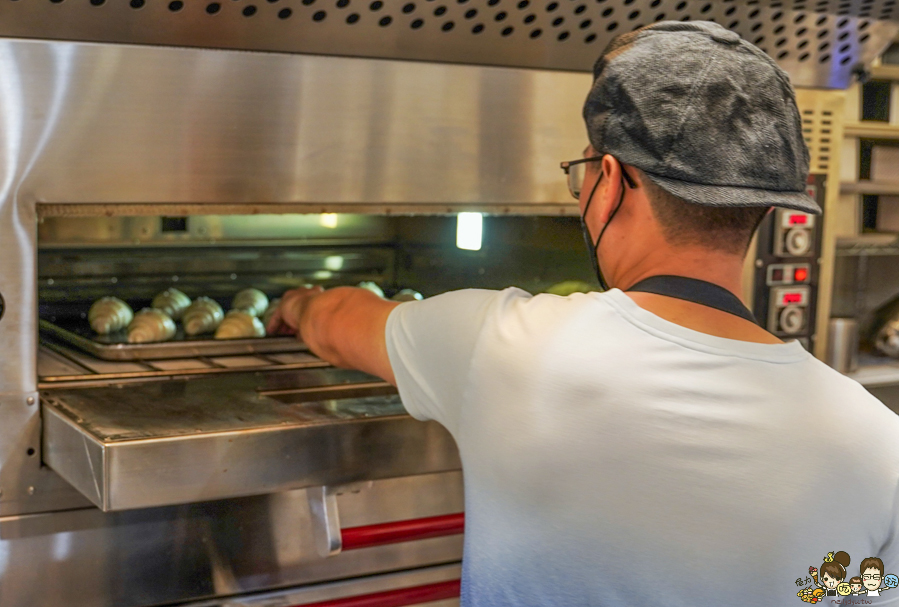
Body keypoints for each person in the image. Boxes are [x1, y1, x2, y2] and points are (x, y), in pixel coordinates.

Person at [268, 21, 899, 607]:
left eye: (583, 177)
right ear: (762, 209)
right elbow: (859, 590)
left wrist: (294, 301)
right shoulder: (879, 450)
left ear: (612, 180)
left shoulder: (501, 345)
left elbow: (340, 322)